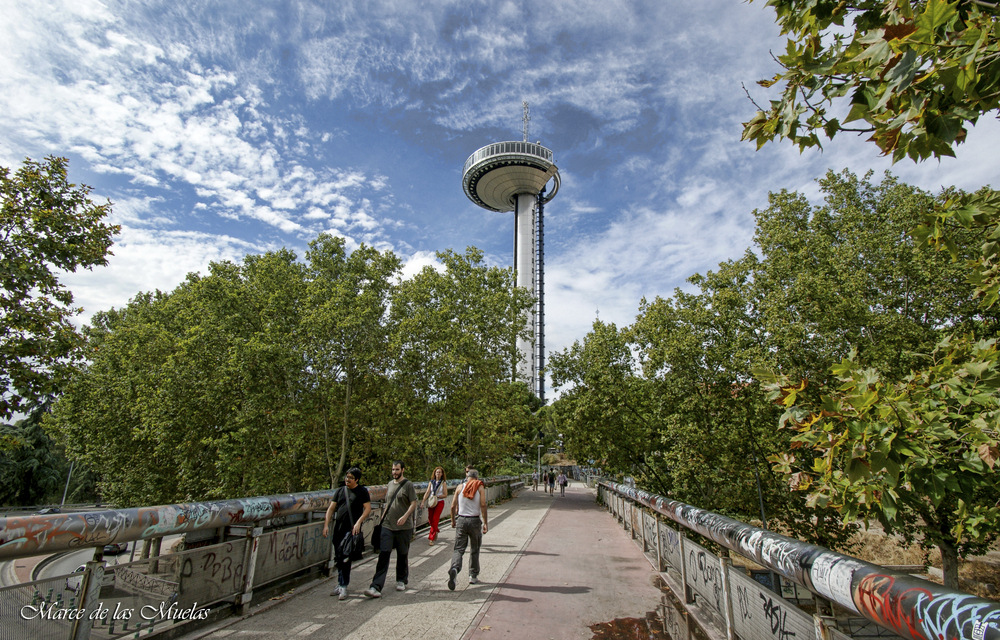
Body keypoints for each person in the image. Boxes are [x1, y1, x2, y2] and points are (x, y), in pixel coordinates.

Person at [364, 461, 417, 598]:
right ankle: (376, 586)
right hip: (388, 525)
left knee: (402, 553)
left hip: (404, 527)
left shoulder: (408, 485)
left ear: (402, 470)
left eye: (397, 469)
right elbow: (388, 502)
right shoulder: (389, 484)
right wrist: (382, 518)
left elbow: (413, 503)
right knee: (384, 553)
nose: (394, 472)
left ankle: (401, 579)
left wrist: (406, 516)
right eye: (393, 469)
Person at [322, 467, 372, 600]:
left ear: (356, 479)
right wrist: (326, 525)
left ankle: (343, 585)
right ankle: (340, 583)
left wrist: (359, 522)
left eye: (350, 478)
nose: (347, 480)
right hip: (339, 529)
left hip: (351, 530)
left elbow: (367, 509)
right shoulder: (340, 491)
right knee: (339, 556)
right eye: (346, 477)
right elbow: (331, 508)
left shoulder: (362, 491)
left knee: (346, 556)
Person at [447, 468, 488, 590]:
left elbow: (453, 505)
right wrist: (485, 522)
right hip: (474, 521)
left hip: (461, 520)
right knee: (475, 548)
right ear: (477, 477)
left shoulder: (460, 487)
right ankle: (473, 575)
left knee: (459, 549)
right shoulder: (480, 487)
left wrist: (453, 520)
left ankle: (454, 568)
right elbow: (483, 504)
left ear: (467, 477)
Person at [420, 466, 448, 545]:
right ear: (435, 473)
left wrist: (438, 496)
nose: (438, 474)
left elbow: (445, 494)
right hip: (431, 502)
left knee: (435, 519)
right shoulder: (431, 482)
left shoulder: (443, 483)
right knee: (430, 519)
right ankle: (436, 530)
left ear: (442, 474)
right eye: (437, 472)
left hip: (439, 502)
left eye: (440, 472)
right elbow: (427, 492)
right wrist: (423, 501)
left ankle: (431, 538)